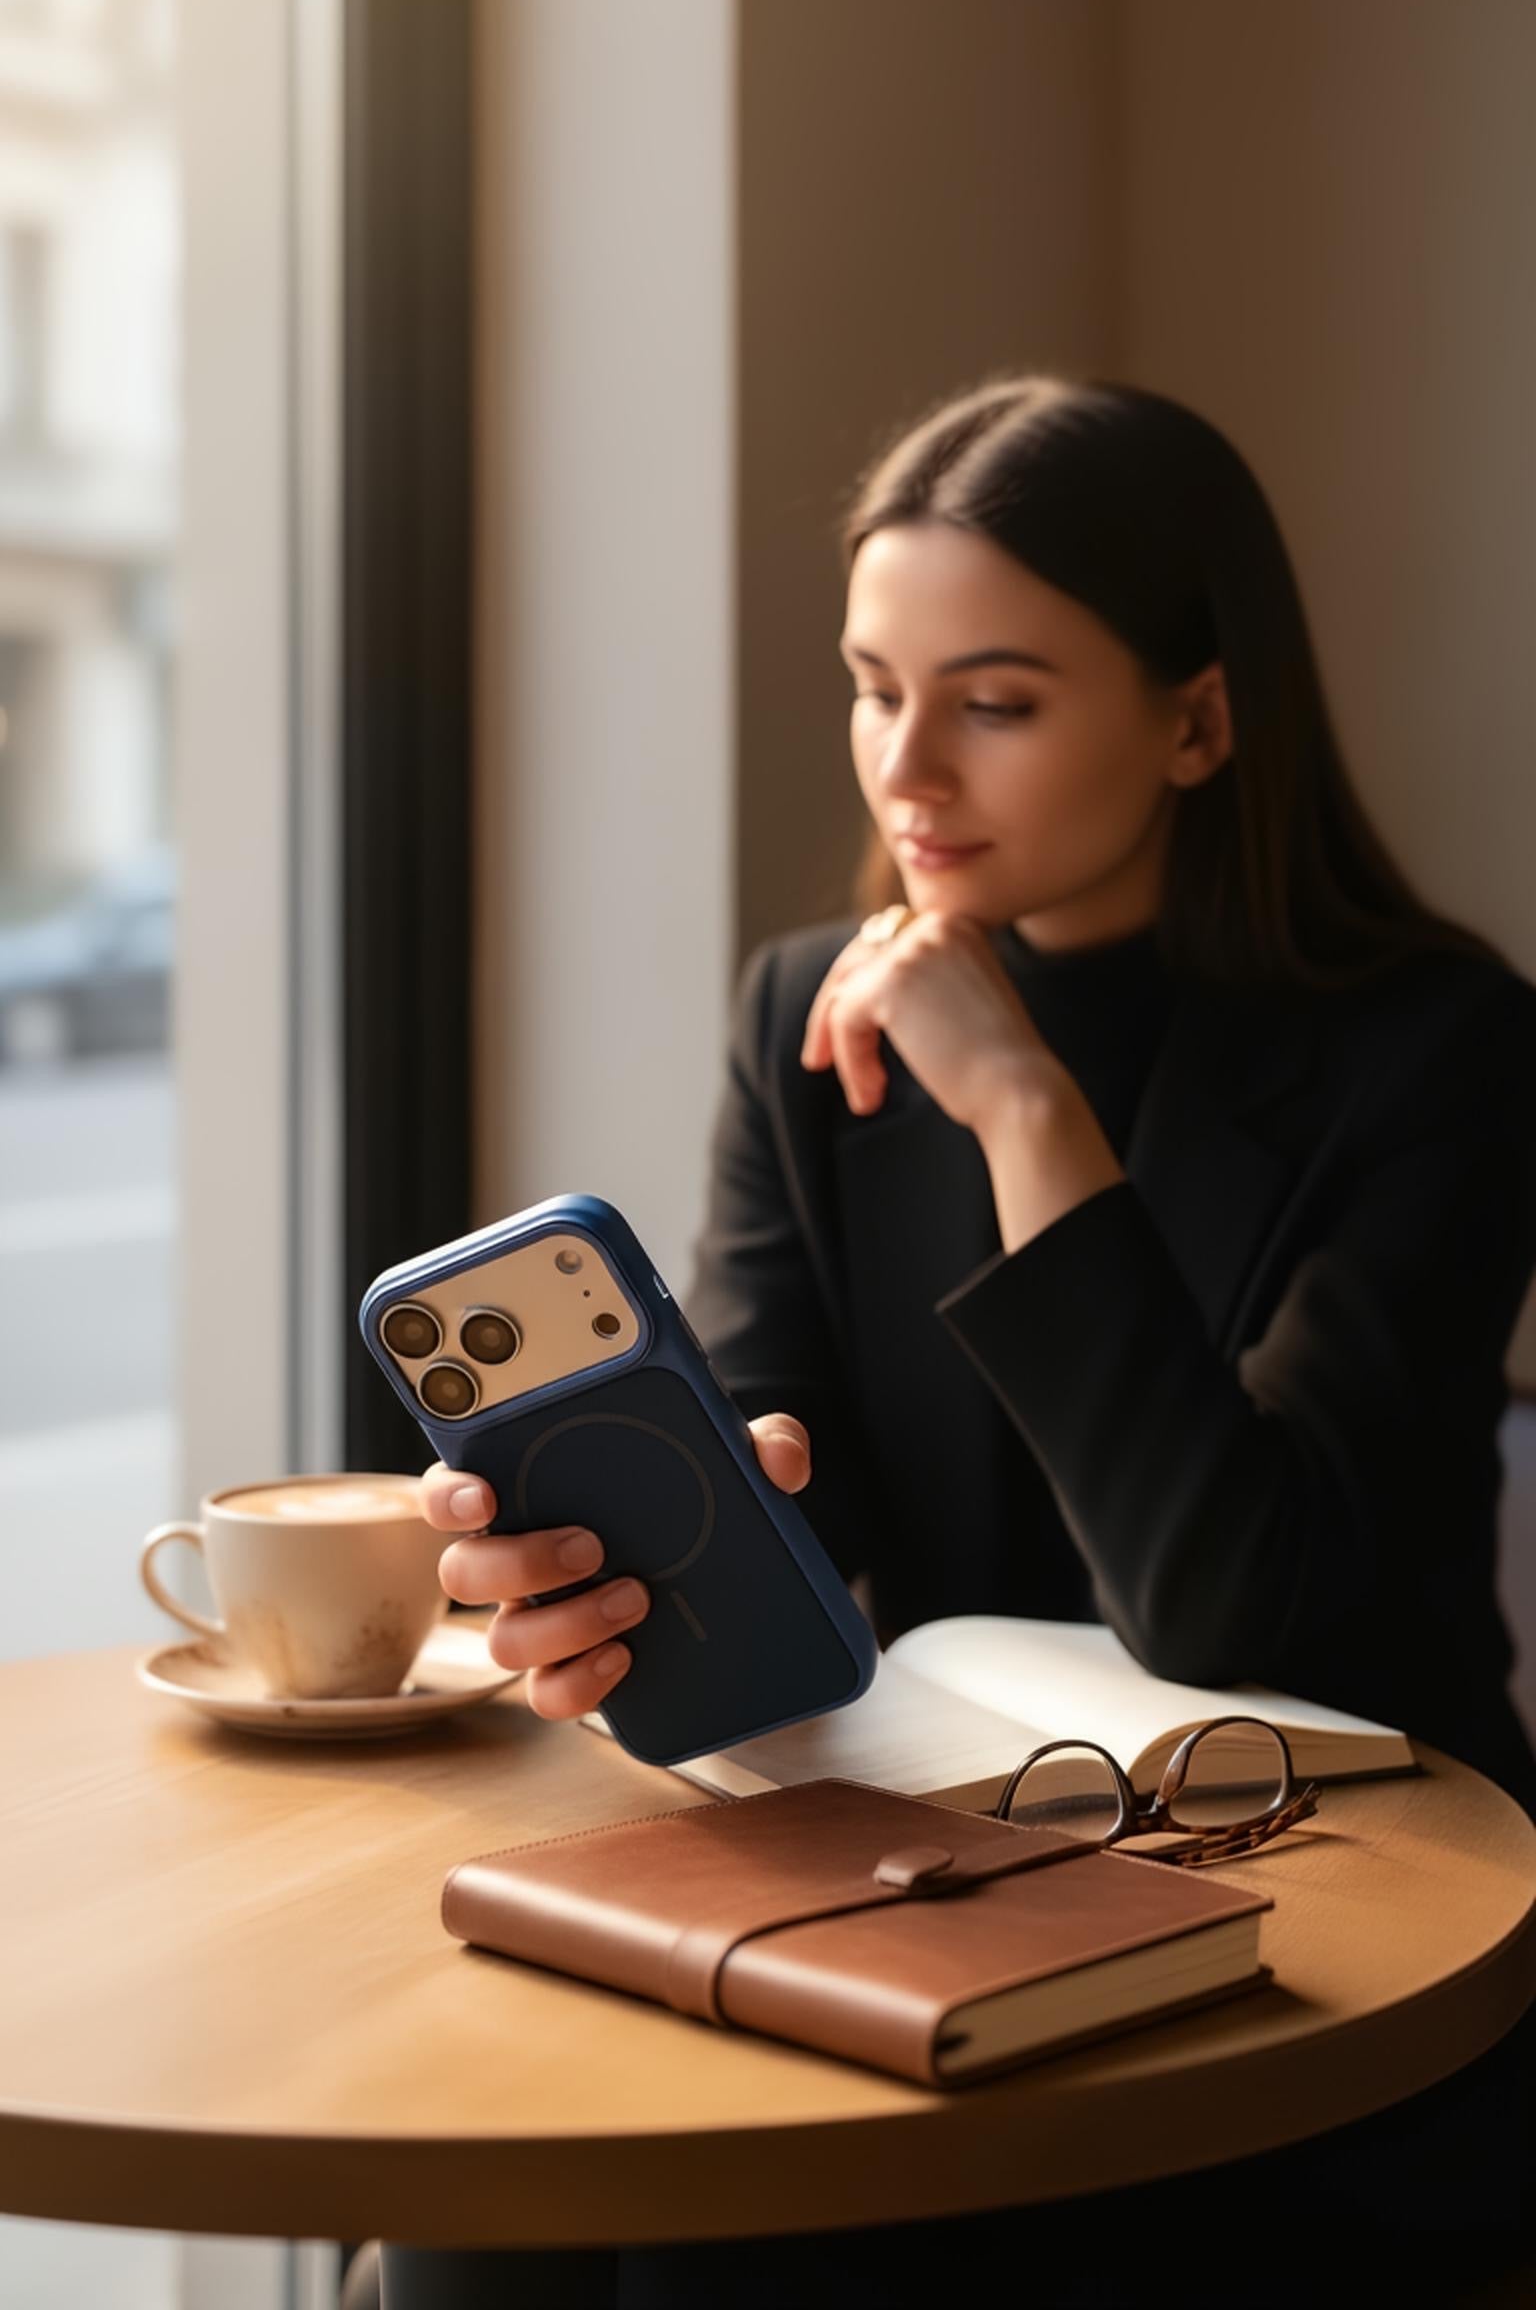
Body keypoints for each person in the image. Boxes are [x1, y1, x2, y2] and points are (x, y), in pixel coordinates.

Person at [411, 375, 1536, 2306]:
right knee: (474, 2203)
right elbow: (778, 1455)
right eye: (874, 686)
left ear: (1197, 719)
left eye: (995, 702)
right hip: (932, 1870)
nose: (906, 770)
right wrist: (608, 1566)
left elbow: (1237, 1603)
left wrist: (1025, 1110)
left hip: (1328, 1937)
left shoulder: (1439, 1048)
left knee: (724, 2254)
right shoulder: (809, 1017)